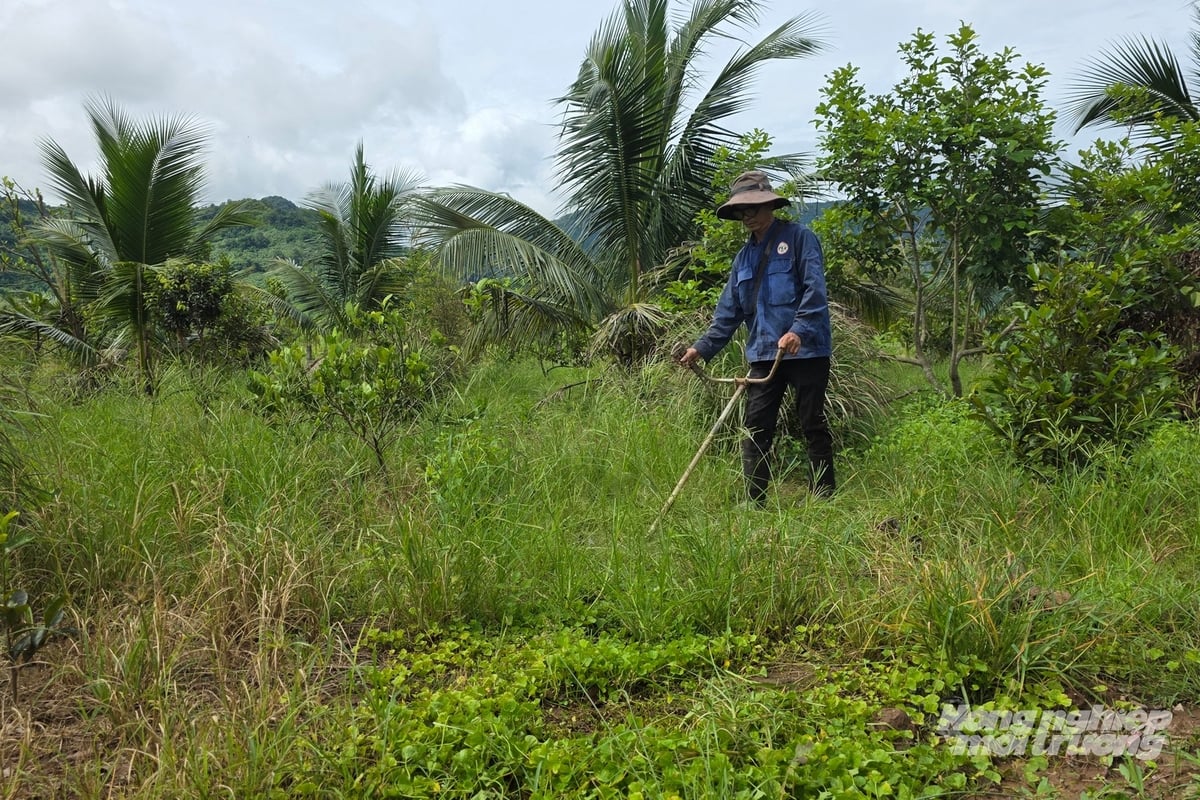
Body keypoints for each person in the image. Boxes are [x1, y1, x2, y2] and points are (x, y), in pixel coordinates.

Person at [679, 170, 835, 503]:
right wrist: (701, 349)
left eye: (753, 208)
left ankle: (824, 498)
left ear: (769, 205)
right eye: (741, 212)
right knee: (755, 427)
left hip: (806, 351)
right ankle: (755, 502)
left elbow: (815, 290)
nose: (747, 217)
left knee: (812, 423)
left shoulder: (799, 239)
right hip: (764, 354)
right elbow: (728, 313)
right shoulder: (743, 258)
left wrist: (798, 330)